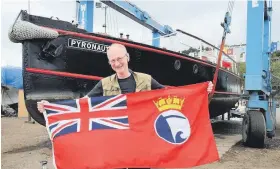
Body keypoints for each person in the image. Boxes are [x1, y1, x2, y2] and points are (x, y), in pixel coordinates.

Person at [37, 43, 213, 112]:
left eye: (119, 59)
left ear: (127, 58)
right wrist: (51, 106)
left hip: (143, 133)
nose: (117, 63)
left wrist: (202, 89)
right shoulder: (104, 84)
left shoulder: (146, 79)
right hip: (117, 135)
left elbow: (169, 93)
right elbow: (83, 102)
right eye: (112, 60)